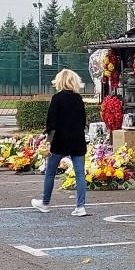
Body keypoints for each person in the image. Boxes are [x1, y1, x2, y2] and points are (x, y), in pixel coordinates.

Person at [31, 69, 89, 216]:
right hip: (77, 140)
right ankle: (80, 206)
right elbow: (83, 122)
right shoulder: (78, 99)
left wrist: (48, 143)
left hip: (59, 141)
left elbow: (52, 124)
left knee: (50, 173)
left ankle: (45, 203)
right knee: (80, 174)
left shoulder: (57, 98)